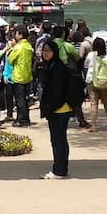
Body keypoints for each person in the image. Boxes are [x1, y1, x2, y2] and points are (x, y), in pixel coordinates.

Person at [38, 39, 79, 179]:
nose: (45, 53)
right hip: (57, 109)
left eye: (48, 50)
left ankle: (59, 170)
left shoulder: (57, 67)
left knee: (58, 140)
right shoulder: (50, 66)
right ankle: (60, 168)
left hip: (60, 109)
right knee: (58, 139)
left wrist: (51, 107)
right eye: (44, 50)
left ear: (54, 52)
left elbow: (58, 91)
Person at [84, 36, 107, 132]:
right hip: (105, 81)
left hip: (92, 80)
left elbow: (85, 65)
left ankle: (93, 126)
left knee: (94, 103)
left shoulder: (90, 55)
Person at [7, 27, 35, 127]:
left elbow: (10, 60)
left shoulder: (18, 47)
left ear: (20, 35)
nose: (15, 36)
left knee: (20, 100)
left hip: (19, 75)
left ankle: (22, 120)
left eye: (16, 34)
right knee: (24, 99)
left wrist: (11, 48)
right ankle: (25, 118)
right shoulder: (28, 45)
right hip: (27, 75)